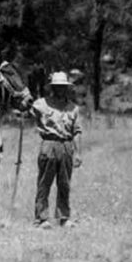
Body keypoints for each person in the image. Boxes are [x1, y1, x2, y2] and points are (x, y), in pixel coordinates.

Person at [30, 71, 83, 228]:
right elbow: (26, 112)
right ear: (52, 88)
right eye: (57, 86)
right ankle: (41, 218)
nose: (60, 89)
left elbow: (77, 132)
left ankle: (64, 217)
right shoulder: (41, 104)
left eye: (63, 87)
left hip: (66, 146)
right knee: (44, 183)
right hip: (49, 145)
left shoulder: (73, 108)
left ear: (67, 88)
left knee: (64, 183)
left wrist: (78, 153)